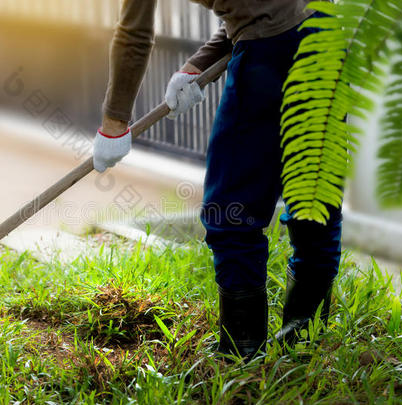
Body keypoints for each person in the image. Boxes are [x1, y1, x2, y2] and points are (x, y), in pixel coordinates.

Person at [93, 0, 342, 360]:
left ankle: (240, 357)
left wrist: (114, 123)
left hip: (271, 49)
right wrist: (198, 64)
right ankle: (304, 343)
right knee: (312, 193)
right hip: (327, 33)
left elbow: (134, 35)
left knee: (230, 212)